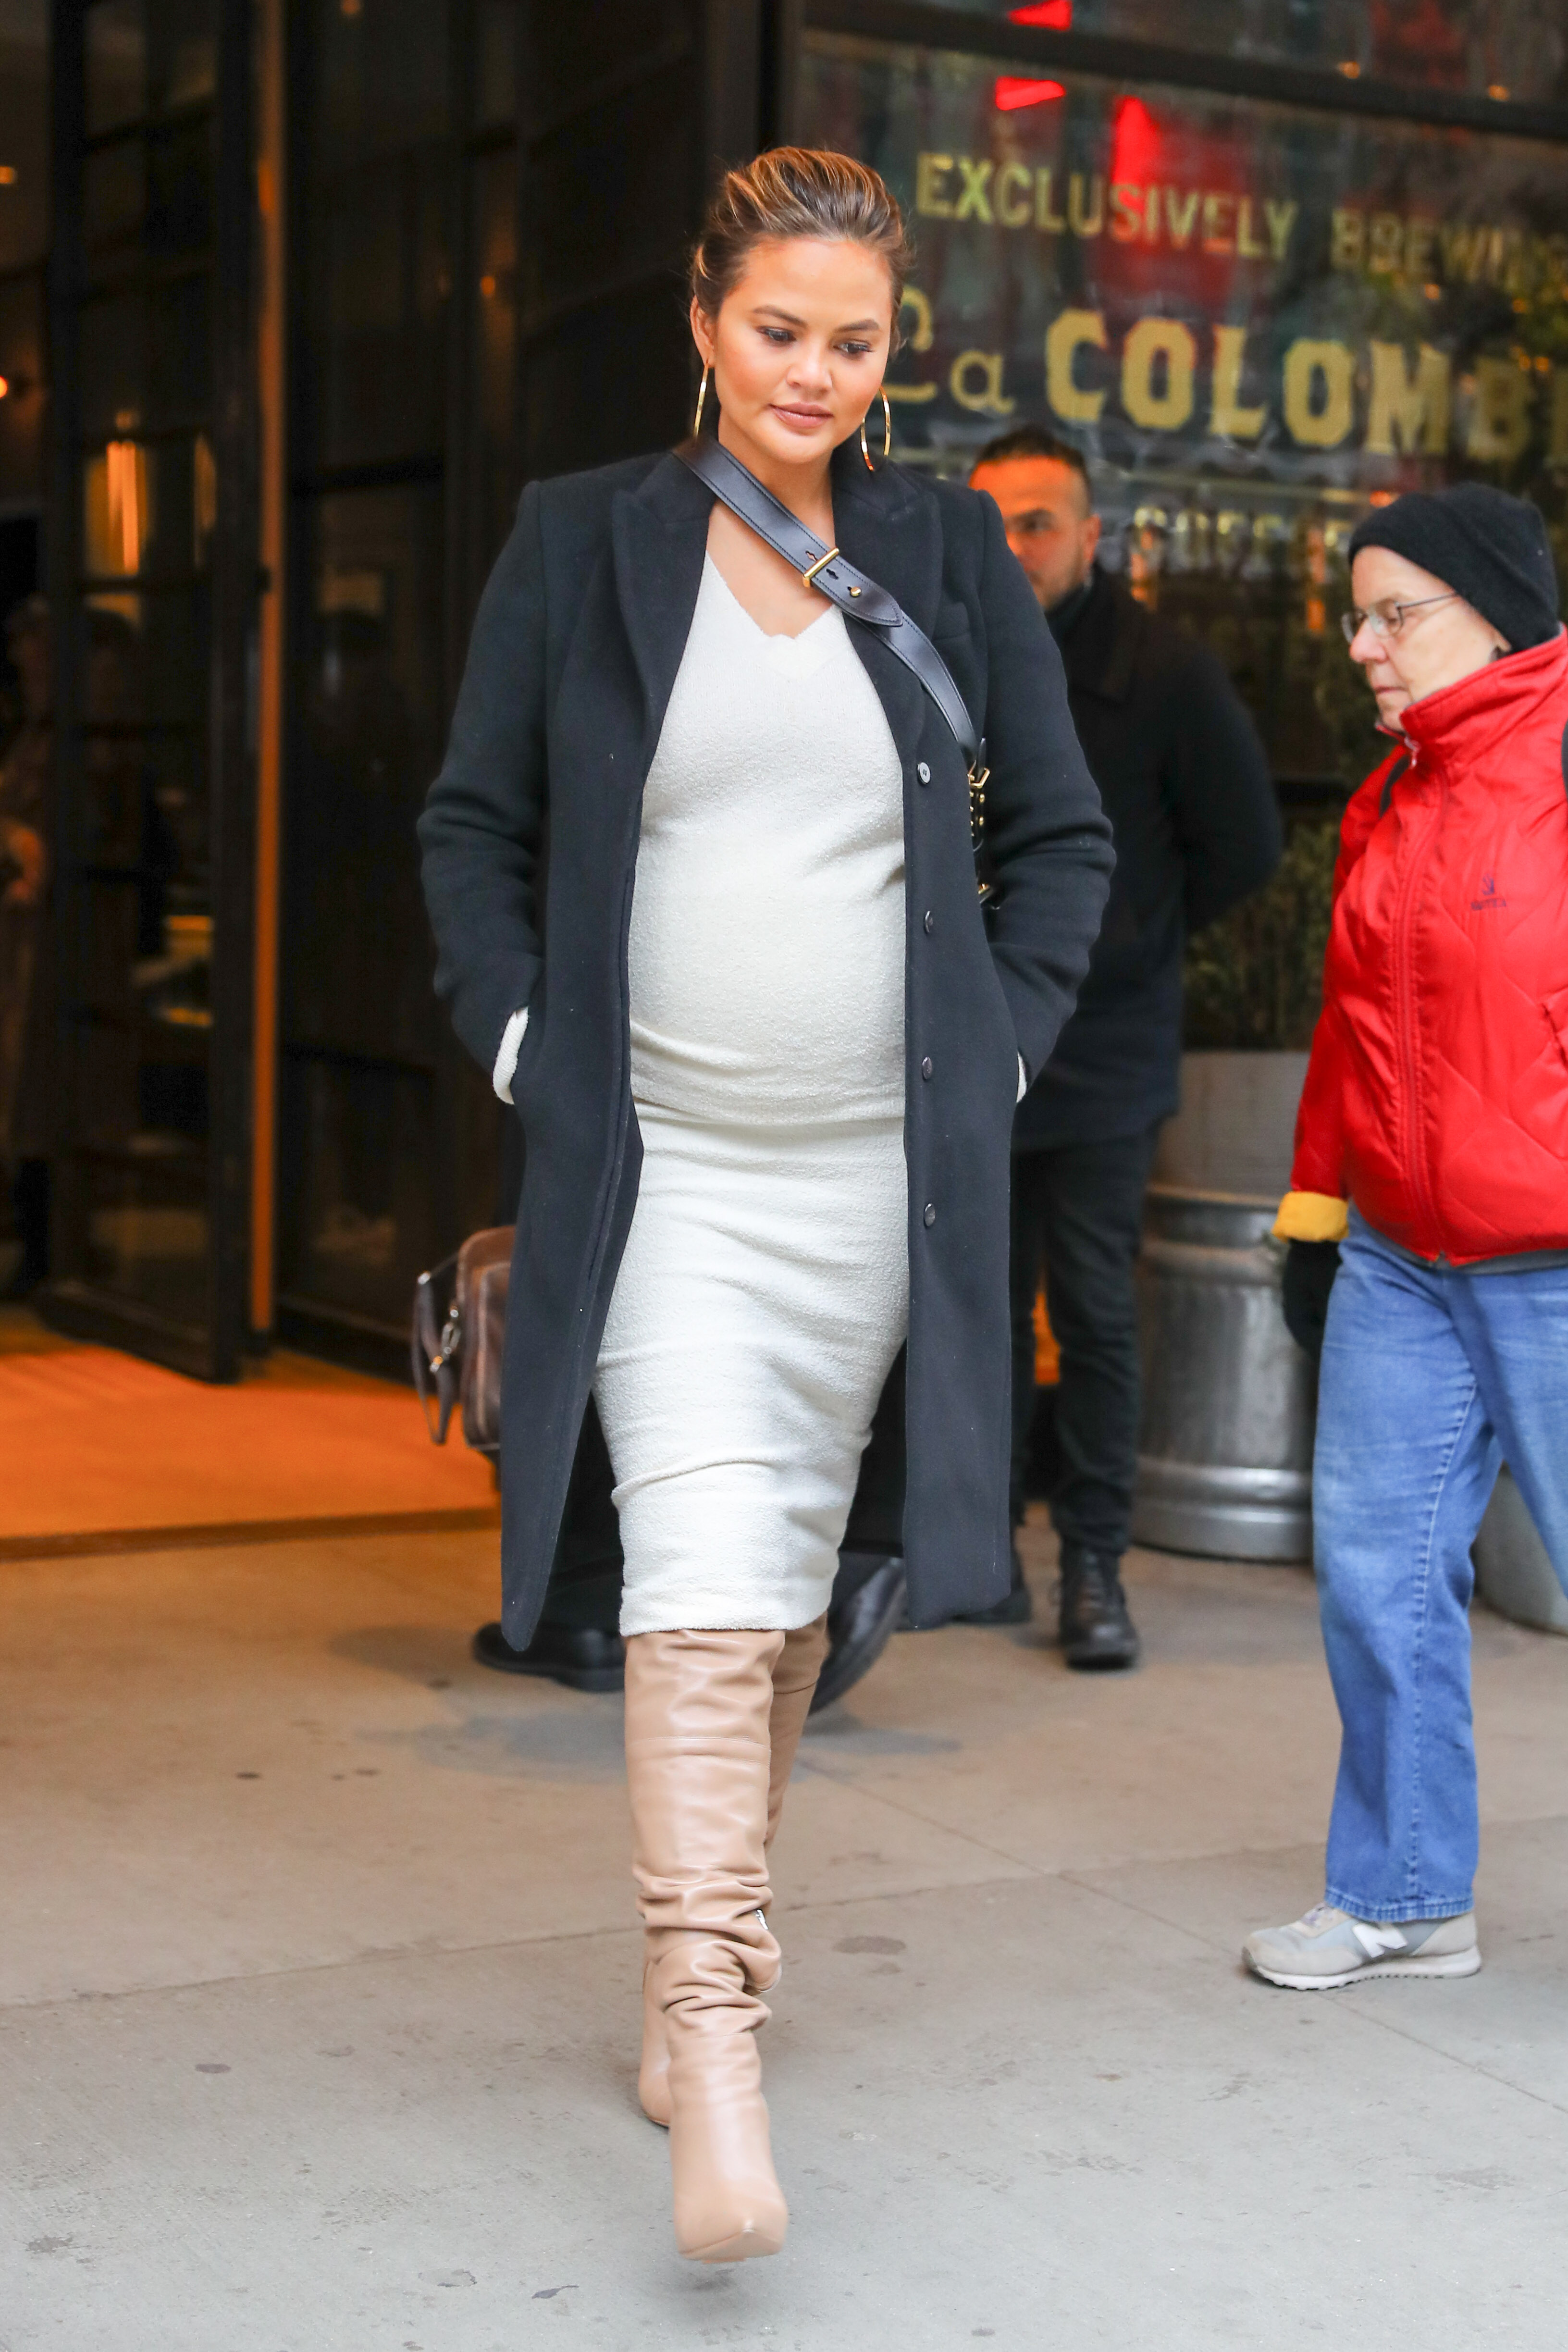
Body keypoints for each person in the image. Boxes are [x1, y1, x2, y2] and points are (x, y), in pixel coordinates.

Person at [419, 150, 1112, 2264]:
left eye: (856, 340)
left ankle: (689, 1973)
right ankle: (716, 2038)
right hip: (671, 1180)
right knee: (703, 1581)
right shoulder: (583, 540)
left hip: (875, 1192)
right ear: (705, 326)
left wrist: (999, 1060)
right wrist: (531, 1050)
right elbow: (473, 828)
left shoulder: (948, 552)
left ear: (895, 354)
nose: (815, 370)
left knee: (794, 1584)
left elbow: (1059, 838)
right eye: (778, 329)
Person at [1246, 482, 1568, 1990]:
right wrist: (1318, 1217)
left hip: (1552, 1256)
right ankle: (1406, 1891)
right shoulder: (1394, 794)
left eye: (1395, 614)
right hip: (1399, 1256)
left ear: (1494, 614)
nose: (1365, 645)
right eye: (1356, 618)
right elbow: (1352, 1034)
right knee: (1377, 1573)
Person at [962, 428, 1280, 1666]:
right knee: (981, 1304)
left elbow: (1244, 846)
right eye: (990, 524)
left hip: (1104, 1044)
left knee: (1093, 1305)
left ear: (1092, 535)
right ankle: (981, 1545)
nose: (1013, 548)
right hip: (977, 1036)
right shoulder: (944, 652)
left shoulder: (1165, 671)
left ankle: (1093, 1563)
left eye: (1038, 523)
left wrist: (1136, 937)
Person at [0, 595, 52, 1296]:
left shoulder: (74, 735)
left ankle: (48, 1244)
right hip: (25, 946)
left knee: (40, 1092)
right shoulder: (34, 731)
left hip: (52, 950)